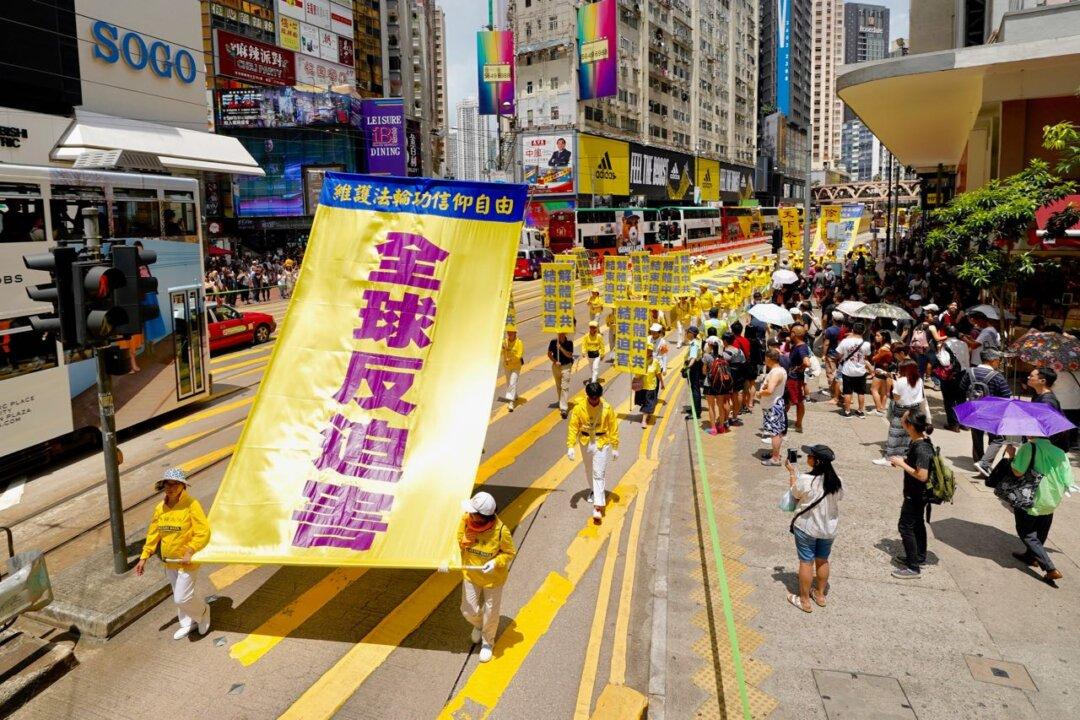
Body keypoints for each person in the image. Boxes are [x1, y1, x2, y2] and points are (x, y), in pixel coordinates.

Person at [135, 468, 211, 640]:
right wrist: (143, 557)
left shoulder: (192, 505)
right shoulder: (160, 508)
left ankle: (204, 611)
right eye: (167, 484)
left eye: (175, 484)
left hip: (187, 561)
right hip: (169, 562)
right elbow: (154, 534)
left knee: (181, 598)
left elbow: (203, 532)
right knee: (180, 596)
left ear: (183, 486)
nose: (171, 488)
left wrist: (190, 549)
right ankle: (187, 623)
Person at [456, 492, 517, 662]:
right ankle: (479, 624)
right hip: (471, 574)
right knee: (467, 610)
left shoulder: (501, 531)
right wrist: (447, 560)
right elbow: (458, 540)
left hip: (493, 580)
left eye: (473, 513)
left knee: (491, 613)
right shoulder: (466, 521)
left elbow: (509, 553)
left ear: (482, 517)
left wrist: (496, 562)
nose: (469, 515)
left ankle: (487, 642)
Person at [785, 444, 843, 613]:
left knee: (806, 562)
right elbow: (840, 496)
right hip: (828, 529)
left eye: (810, 456)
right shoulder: (837, 481)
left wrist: (791, 472)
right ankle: (820, 595)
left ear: (816, 461)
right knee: (823, 559)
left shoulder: (805, 479)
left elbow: (794, 494)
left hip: (807, 527)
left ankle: (804, 601)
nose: (808, 458)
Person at [1005, 436, 1070, 583]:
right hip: (1051, 499)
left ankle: (1050, 568)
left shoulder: (1029, 447)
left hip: (1031, 497)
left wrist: (1012, 455)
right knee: (1041, 529)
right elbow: (1068, 480)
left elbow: (1018, 472)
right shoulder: (1060, 452)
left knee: (1025, 531)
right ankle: (1030, 556)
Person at [888, 411, 935, 578]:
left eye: (904, 418)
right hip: (916, 493)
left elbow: (922, 475)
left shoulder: (922, 447)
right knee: (917, 524)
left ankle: (913, 567)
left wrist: (902, 464)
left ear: (910, 425)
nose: (901, 419)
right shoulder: (918, 441)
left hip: (916, 494)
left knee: (905, 526)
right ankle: (918, 556)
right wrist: (904, 462)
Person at [566, 381, 620, 522]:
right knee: (589, 469)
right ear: (587, 396)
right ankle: (593, 490)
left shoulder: (607, 408)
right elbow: (573, 427)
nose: (595, 401)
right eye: (592, 398)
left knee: (598, 473)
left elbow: (613, 428)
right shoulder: (579, 408)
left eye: (597, 398)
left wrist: (615, 447)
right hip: (585, 442)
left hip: (601, 443)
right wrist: (570, 446)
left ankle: (598, 506)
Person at [960, 349, 1011, 476]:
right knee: (997, 438)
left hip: (973, 409)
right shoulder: (997, 376)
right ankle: (985, 464)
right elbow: (1007, 395)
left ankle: (978, 460)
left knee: (976, 436)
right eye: (998, 361)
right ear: (992, 360)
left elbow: (962, 388)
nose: (998, 363)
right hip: (992, 412)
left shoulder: (970, 372)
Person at [877, 361, 925, 466]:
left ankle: (890, 458)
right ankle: (903, 456)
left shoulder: (901, 381)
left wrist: (894, 383)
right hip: (914, 408)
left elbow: (896, 398)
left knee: (894, 433)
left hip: (901, 409)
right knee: (908, 434)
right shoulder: (919, 380)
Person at [1028, 367, 1070, 452]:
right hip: (1043, 446)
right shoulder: (1038, 395)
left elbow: (1048, 426)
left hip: (1050, 449)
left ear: (1042, 381)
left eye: (1031, 376)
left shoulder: (1047, 401)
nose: (1028, 377)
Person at [937, 325, 970, 431]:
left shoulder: (945, 344)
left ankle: (953, 424)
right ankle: (963, 423)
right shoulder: (964, 344)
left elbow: (944, 362)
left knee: (949, 400)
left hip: (949, 376)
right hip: (963, 374)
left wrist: (938, 353)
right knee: (962, 399)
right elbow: (966, 360)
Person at [758, 349, 788, 466]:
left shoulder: (776, 372)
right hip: (775, 404)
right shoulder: (780, 370)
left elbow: (770, 391)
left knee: (774, 433)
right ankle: (775, 453)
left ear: (769, 358)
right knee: (777, 431)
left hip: (772, 405)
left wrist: (759, 393)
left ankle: (775, 458)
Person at [835, 322, 871, 418]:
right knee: (861, 392)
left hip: (847, 370)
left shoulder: (845, 341)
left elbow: (838, 354)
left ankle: (847, 411)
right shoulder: (866, 344)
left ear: (852, 330)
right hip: (861, 370)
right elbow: (866, 356)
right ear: (863, 331)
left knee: (847, 392)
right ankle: (860, 411)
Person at [785, 324, 811, 433]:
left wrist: (799, 368)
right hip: (793, 377)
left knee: (796, 401)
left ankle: (798, 424)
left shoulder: (801, 347)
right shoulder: (797, 345)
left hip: (794, 379)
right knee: (789, 399)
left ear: (794, 334)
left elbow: (807, 362)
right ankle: (794, 422)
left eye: (791, 332)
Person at [702, 337, 728, 434]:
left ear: (710, 346)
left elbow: (704, 372)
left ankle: (713, 429)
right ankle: (721, 427)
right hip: (720, 384)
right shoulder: (723, 356)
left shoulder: (706, 356)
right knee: (720, 406)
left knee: (711, 406)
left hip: (709, 384)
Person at [547, 331, 575, 419]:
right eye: (559, 334)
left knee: (565, 386)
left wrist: (561, 348)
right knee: (558, 386)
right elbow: (549, 354)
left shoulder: (569, 342)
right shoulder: (553, 342)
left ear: (565, 334)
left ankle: (563, 408)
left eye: (562, 334)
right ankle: (561, 402)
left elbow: (569, 355)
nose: (560, 335)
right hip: (556, 366)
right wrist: (555, 361)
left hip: (566, 366)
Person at [635, 346, 663, 428]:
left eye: (650, 350)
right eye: (646, 350)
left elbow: (658, 373)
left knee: (649, 402)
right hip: (641, 386)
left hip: (651, 386)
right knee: (644, 402)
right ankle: (647, 413)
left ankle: (644, 421)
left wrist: (662, 382)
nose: (648, 352)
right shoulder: (639, 360)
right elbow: (636, 372)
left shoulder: (655, 362)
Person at [868, 330, 894, 415]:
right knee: (884, 392)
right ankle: (882, 408)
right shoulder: (889, 346)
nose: (876, 337)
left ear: (884, 337)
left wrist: (876, 352)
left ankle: (878, 409)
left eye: (878, 336)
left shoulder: (883, 349)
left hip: (880, 370)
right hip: (886, 371)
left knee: (873, 389)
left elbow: (874, 359)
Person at [683, 326, 704, 420]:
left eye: (687, 332)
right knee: (695, 388)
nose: (686, 333)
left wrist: (688, 367)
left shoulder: (694, 344)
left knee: (695, 389)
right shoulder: (696, 341)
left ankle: (696, 412)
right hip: (696, 366)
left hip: (694, 367)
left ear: (692, 334)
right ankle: (695, 409)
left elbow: (693, 357)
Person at [502, 326, 524, 411]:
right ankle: (514, 395)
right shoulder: (505, 342)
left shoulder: (519, 343)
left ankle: (511, 402)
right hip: (507, 366)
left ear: (515, 333)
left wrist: (510, 359)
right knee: (509, 383)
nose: (509, 334)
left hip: (516, 367)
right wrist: (502, 348)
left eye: (511, 333)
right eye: (508, 333)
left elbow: (519, 355)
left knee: (512, 382)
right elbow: (500, 353)